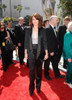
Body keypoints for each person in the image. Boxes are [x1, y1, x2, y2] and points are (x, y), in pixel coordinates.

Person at [24, 13, 48, 96]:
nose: (35, 21)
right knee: (31, 72)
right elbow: (26, 42)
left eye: (36, 19)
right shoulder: (27, 29)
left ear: (39, 20)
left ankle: (38, 86)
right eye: (33, 19)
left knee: (38, 71)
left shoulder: (43, 30)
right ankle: (31, 87)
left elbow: (45, 42)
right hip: (30, 51)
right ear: (31, 20)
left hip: (40, 52)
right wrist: (25, 53)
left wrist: (46, 53)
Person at [44, 15, 65, 80]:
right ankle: (46, 75)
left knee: (55, 63)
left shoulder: (53, 28)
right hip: (50, 51)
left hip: (54, 50)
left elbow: (54, 39)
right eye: (56, 20)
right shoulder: (48, 29)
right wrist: (50, 51)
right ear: (52, 20)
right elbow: (48, 41)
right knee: (47, 63)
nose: (57, 21)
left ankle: (57, 75)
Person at [63, 21, 72, 88]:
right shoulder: (68, 34)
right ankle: (68, 80)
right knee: (70, 69)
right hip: (70, 56)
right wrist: (68, 57)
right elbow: (66, 47)